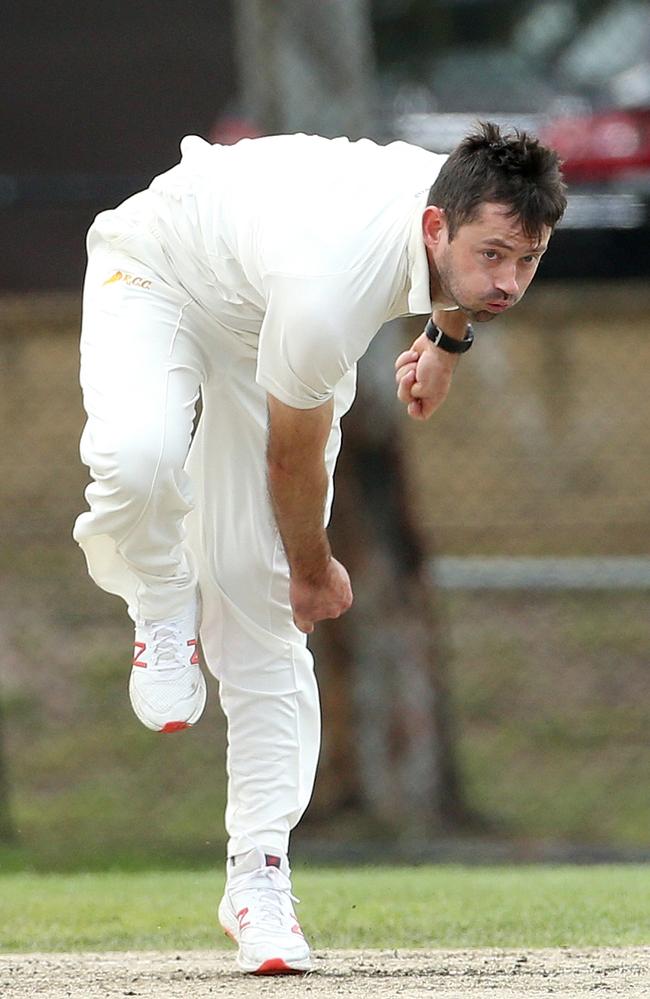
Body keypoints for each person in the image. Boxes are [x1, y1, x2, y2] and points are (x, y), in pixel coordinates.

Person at [74, 122, 566, 974]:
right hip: (160, 273)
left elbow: (463, 277)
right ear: (435, 228)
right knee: (141, 460)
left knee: (253, 596)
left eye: (527, 260)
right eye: (495, 257)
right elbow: (288, 454)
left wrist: (448, 341)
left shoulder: (457, 200)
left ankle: (257, 878)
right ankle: (161, 596)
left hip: (263, 311)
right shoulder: (331, 287)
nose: (509, 281)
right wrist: (313, 568)